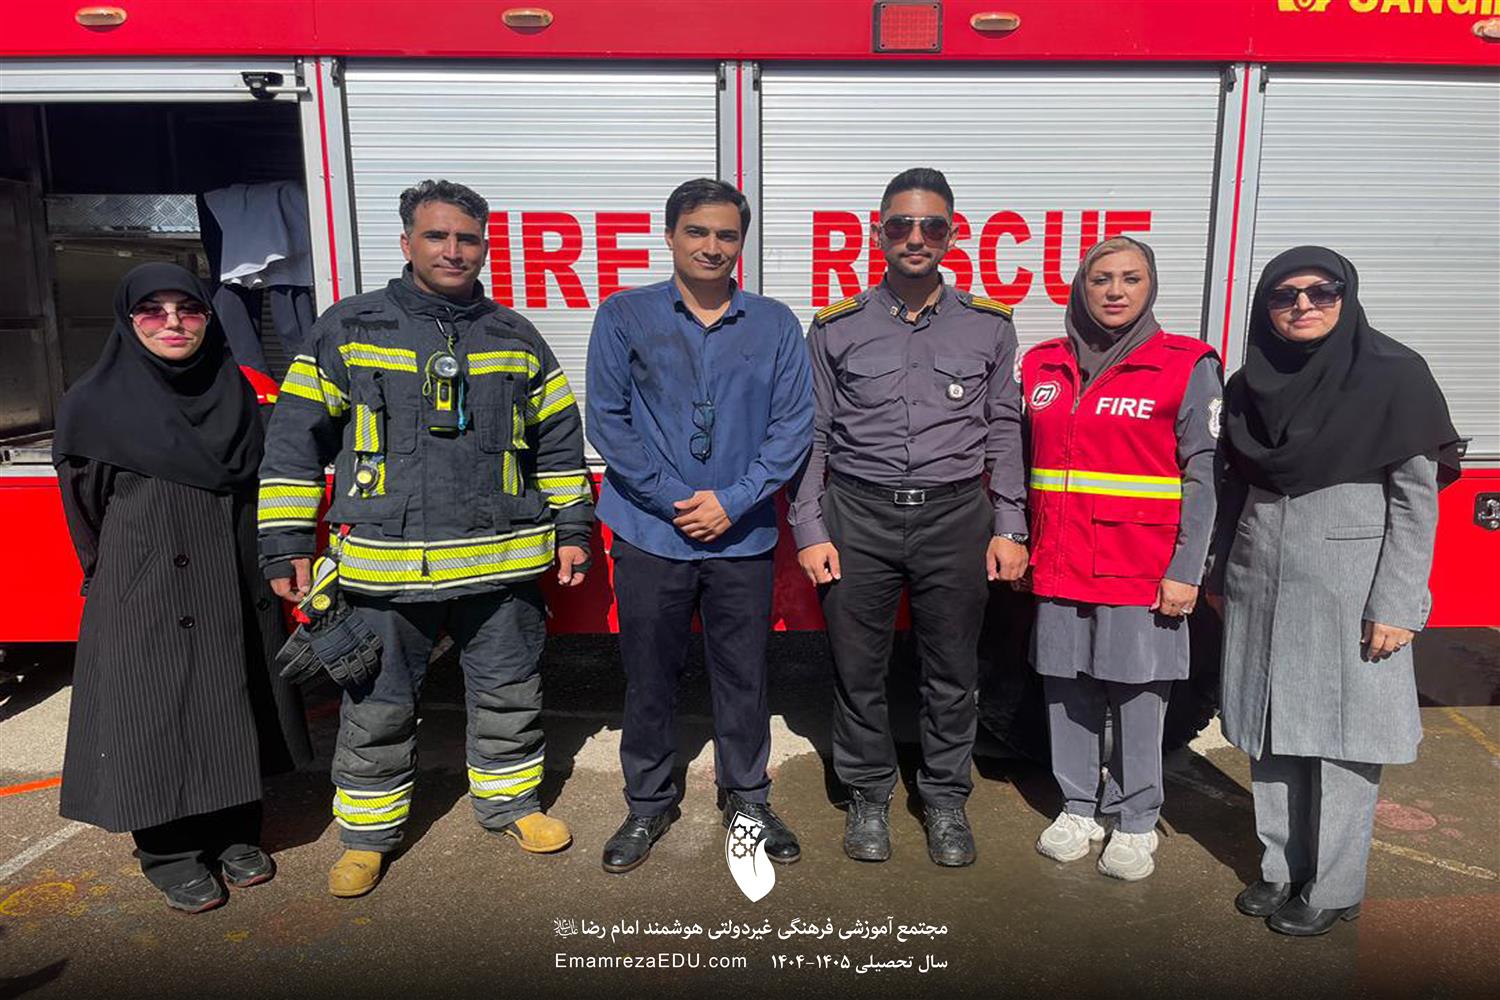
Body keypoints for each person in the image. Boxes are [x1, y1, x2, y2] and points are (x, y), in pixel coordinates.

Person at [257, 179, 593, 898]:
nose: (453, 250)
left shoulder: (514, 336)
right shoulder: (349, 329)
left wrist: (573, 527)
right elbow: (292, 442)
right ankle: (366, 838)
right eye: (437, 236)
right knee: (375, 706)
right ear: (406, 242)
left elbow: (560, 443)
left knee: (509, 694)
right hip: (386, 567)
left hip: (502, 564)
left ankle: (512, 806)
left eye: (467, 238)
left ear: (485, 247)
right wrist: (285, 541)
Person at [1208, 246, 1462, 935]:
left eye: (1321, 292)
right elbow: (1232, 489)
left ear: (1346, 298)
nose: (1303, 306)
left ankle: (1336, 885)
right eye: (1284, 295)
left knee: (1344, 737)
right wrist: (1221, 572)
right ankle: (1281, 868)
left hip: (1351, 587)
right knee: (1268, 727)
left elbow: (1415, 503)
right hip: (1260, 576)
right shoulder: (1249, 385)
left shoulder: (1395, 376)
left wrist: (1398, 603)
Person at [53, 262, 312, 914]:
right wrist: (125, 573)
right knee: (155, 711)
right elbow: (85, 509)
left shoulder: (236, 391)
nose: (172, 322)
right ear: (128, 320)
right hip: (144, 582)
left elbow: (263, 487)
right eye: (153, 310)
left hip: (231, 571)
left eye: (188, 309)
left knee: (232, 697)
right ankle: (168, 851)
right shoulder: (92, 403)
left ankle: (235, 834)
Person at [788, 167, 1027, 867]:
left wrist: (1010, 524)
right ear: (879, 232)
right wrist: (809, 528)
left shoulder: (989, 326)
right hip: (856, 513)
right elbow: (814, 433)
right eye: (901, 224)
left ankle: (945, 798)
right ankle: (868, 794)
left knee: (951, 669)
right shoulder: (835, 327)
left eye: (931, 226)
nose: (915, 237)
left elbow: (1004, 429)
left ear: (953, 235)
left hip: (956, 516)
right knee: (858, 668)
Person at [585, 178, 813, 875]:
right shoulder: (624, 315)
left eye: (726, 235)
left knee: (743, 677)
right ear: (671, 236)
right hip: (650, 532)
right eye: (697, 232)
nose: (712, 246)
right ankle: (648, 803)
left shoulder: (775, 324)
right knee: (649, 676)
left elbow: (793, 425)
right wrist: (676, 500)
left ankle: (747, 799)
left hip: (741, 536)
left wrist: (734, 500)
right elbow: (608, 421)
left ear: (741, 243)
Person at [1019, 237, 1221, 881]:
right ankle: (1078, 806)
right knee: (1066, 691)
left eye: (1130, 278)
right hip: (1059, 562)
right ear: (1080, 287)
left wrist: (1187, 569)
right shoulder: (1043, 364)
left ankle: (1136, 819)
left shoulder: (1185, 365)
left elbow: (1203, 477)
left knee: (1138, 698)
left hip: (1141, 568)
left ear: (1150, 286)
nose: (1114, 291)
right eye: (1100, 278)